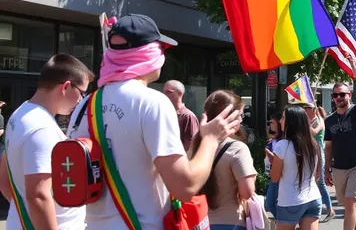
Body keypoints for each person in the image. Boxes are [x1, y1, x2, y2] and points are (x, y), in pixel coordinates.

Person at [67, 14, 241, 229]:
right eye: (161, 49)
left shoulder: (84, 106)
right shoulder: (152, 102)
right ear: (148, 53)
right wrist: (211, 140)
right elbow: (184, 187)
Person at [0, 54, 93, 229]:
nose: (81, 100)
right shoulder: (42, 128)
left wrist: (24, 211)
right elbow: (38, 196)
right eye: (82, 93)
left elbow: (3, 178)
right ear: (66, 87)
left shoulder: (20, 114)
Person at [191, 90, 256, 230]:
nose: (241, 120)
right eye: (240, 115)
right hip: (230, 222)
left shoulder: (194, 146)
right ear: (229, 117)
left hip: (198, 222)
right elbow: (247, 192)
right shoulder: (237, 148)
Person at [323, 52, 356, 230]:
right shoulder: (329, 120)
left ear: (349, 95)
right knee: (349, 205)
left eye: (342, 94)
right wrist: (327, 169)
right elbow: (328, 146)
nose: (338, 98)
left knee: (351, 201)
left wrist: (353, 65)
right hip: (338, 168)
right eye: (335, 95)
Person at [271, 105, 321, 230]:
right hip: (313, 198)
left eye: (283, 118)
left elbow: (275, 177)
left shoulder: (282, 145)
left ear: (291, 122)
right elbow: (316, 173)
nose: (280, 121)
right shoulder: (314, 145)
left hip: (289, 200)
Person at [305, 104, 334, 223]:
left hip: (318, 154)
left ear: (313, 109)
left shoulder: (320, 120)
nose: (304, 110)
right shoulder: (309, 120)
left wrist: (305, 123)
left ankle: (330, 209)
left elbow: (314, 132)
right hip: (309, 154)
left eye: (307, 108)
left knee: (320, 182)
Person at [164, 80, 200, 152]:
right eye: (164, 92)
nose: (164, 95)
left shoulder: (188, 116)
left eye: (168, 92)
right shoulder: (165, 113)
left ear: (179, 94)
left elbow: (191, 146)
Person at [265, 113, 283, 218]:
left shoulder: (283, 141)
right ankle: (281, 221)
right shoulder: (272, 140)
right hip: (272, 174)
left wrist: (269, 154)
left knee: (272, 202)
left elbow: (277, 160)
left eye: (272, 122)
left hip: (281, 175)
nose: (269, 124)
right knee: (270, 203)